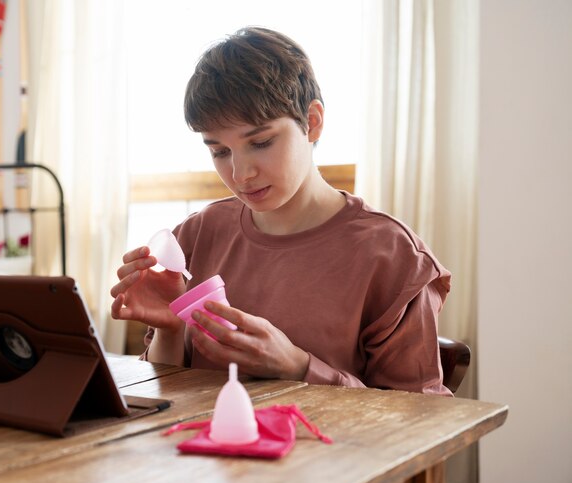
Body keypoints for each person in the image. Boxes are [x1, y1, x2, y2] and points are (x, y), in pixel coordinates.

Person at [110, 26, 451, 396]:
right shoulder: (197, 235)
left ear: (313, 122)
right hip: (197, 450)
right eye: (219, 152)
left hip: (329, 454)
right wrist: (170, 328)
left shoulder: (392, 256)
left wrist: (299, 367)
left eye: (261, 142)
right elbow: (164, 400)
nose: (240, 175)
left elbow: (417, 417)